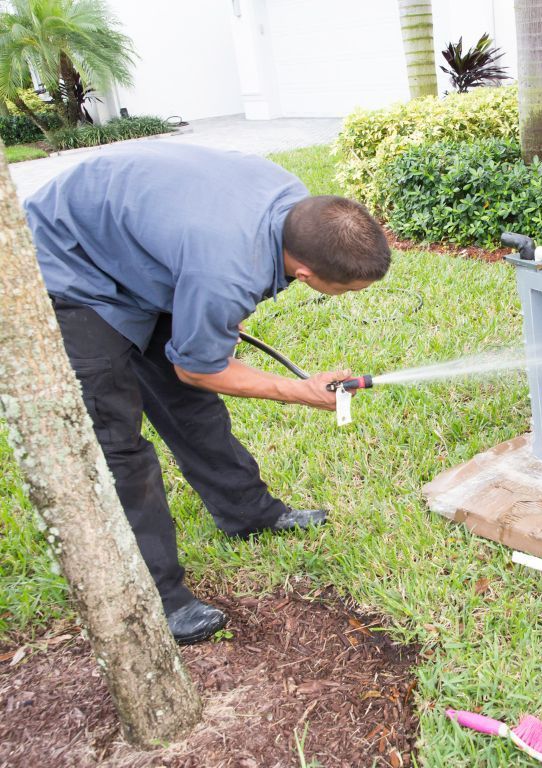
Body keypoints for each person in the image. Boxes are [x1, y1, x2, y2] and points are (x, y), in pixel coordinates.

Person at [24, 143, 391, 644]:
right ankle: (160, 599)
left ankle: (249, 514)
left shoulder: (296, 209)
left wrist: (210, 314)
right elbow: (199, 369)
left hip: (139, 244)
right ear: (305, 272)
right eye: (346, 289)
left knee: (188, 409)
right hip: (73, 263)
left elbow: (209, 287)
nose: (349, 296)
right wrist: (297, 390)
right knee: (118, 442)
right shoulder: (223, 267)